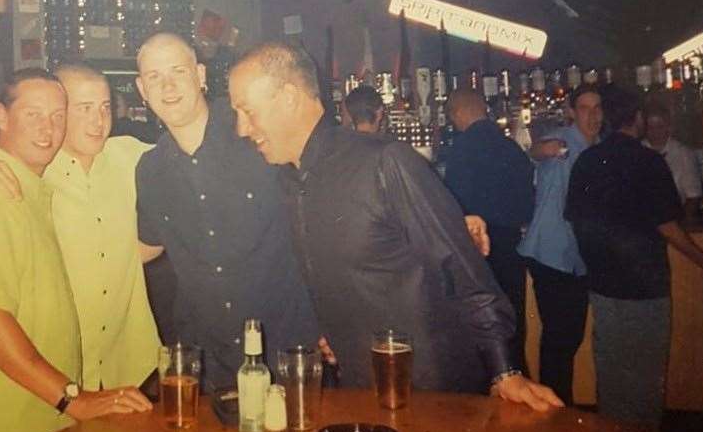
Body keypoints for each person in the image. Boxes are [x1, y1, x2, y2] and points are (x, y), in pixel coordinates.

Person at [227, 41, 561, 411]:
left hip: (432, 392)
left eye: (247, 111)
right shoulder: (288, 182)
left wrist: (504, 371)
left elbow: (465, 271)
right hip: (356, 389)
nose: (242, 128)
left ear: (289, 98)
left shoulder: (384, 162)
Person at [0, 68, 150, 432]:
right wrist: (76, 400)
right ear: (1, 116)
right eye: (33, 114)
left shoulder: (30, 193)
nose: (48, 128)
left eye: (58, 116)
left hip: (31, 421)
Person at [132, 33, 319, 390]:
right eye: (154, 77)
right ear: (142, 88)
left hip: (289, 350)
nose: (168, 85)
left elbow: (323, 210)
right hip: (207, 366)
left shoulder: (254, 130)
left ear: (200, 75)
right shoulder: (150, 169)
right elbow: (144, 246)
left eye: (178, 71)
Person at [565, 87, 703, 426]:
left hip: (605, 284)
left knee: (612, 374)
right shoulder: (649, 162)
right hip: (645, 284)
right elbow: (667, 225)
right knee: (646, 379)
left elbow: (577, 219)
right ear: (636, 119)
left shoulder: (588, 160)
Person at [516, 84, 601, 405]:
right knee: (559, 340)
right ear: (571, 112)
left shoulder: (598, 149)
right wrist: (541, 149)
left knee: (568, 338)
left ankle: (556, 410)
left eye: (597, 108)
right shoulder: (563, 143)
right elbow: (538, 151)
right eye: (584, 108)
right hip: (550, 254)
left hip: (575, 256)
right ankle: (555, 414)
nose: (591, 115)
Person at [444, 87, 535, 374]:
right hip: (510, 250)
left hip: (476, 254)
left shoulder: (461, 150)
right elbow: (527, 207)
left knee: (482, 333)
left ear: (459, 112)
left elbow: (454, 207)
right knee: (512, 327)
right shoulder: (511, 148)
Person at [643, 103, 703, 214]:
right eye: (650, 127)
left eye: (660, 127)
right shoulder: (638, 152)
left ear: (669, 127)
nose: (655, 132)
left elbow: (693, 196)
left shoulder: (683, 154)